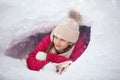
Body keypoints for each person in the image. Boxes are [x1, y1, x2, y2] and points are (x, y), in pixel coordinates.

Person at [26, 9, 86, 74]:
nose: (57, 42)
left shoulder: (78, 47)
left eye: (62, 40)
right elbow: (31, 58)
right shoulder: (49, 40)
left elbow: (72, 66)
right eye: (56, 37)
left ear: (70, 42)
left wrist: (48, 57)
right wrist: (45, 65)